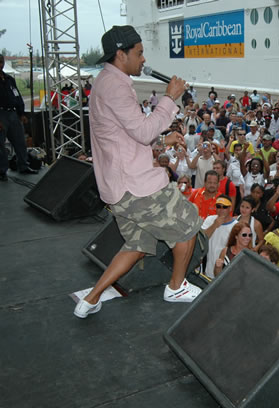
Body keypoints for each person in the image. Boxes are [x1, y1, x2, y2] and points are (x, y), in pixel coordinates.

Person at [74, 26, 202, 318]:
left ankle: (91, 299)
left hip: (115, 188)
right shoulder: (116, 86)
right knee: (189, 225)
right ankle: (177, 286)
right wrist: (169, 98)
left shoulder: (105, 82)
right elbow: (143, 132)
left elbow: (125, 132)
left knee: (137, 244)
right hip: (137, 186)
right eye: (139, 53)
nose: (143, 59)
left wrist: (161, 138)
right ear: (121, 54)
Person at [0, 53, 39, 181]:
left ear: (4, 62)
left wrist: (21, 113)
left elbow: (17, 96)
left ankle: (23, 165)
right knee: (0, 144)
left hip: (13, 113)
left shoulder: (9, 79)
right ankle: (2, 171)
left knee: (20, 141)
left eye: (0, 62)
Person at [202, 195, 238, 278]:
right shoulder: (209, 220)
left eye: (224, 207)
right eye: (218, 206)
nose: (221, 210)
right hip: (208, 271)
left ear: (230, 209)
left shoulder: (236, 226)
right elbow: (202, 238)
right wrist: (215, 225)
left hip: (226, 273)